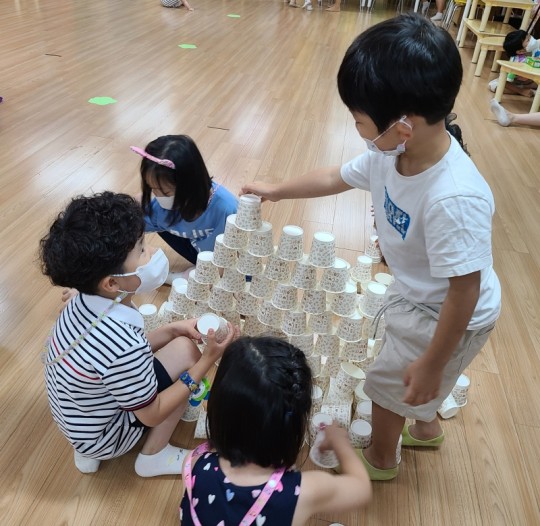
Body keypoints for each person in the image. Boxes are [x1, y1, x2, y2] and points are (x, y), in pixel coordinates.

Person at [242, 13, 501, 481]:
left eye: (359, 120)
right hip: (422, 293)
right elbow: (334, 177)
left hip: (448, 312)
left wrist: (432, 361)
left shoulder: (454, 199)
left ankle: (381, 459)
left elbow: (464, 291)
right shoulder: (391, 153)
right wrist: (276, 190)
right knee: (415, 377)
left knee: (388, 385)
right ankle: (426, 430)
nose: (357, 128)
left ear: (404, 125)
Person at [40, 192, 239, 477]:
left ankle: (87, 451)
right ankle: (153, 456)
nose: (153, 253)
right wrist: (206, 361)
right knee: (188, 355)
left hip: (79, 420)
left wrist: (172, 329)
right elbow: (153, 412)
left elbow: (111, 361)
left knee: (177, 344)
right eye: (142, 251)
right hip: (109, 437)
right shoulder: (122, 344)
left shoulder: (81, 302)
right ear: (111, 283)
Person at [179, 336, 372, 525]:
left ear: (218, 408)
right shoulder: (303, 491)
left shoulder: (193, 463)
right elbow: (361, 488)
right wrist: (340, 442)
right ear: (292, 426)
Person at [133, 135, 238, 283]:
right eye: (152, 189)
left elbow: (234, 258)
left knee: (228, 276)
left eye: (166, 193)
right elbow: (128, 224)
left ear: (190, 184)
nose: (158, 196)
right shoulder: (163, 205)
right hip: (197, 250)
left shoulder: (226, 209)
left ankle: (185, 277)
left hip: (225, 259)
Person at [488, 30, 540, 97]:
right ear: (520, 51)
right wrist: (521, 91)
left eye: (529, 36)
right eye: (528, 40)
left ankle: (529, 91)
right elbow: (506, 78)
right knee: (493, 85)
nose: (532, 39)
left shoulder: (536, 46)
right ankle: (524, 91)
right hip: (519, 82)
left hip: (534, 80)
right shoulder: (516, 60)